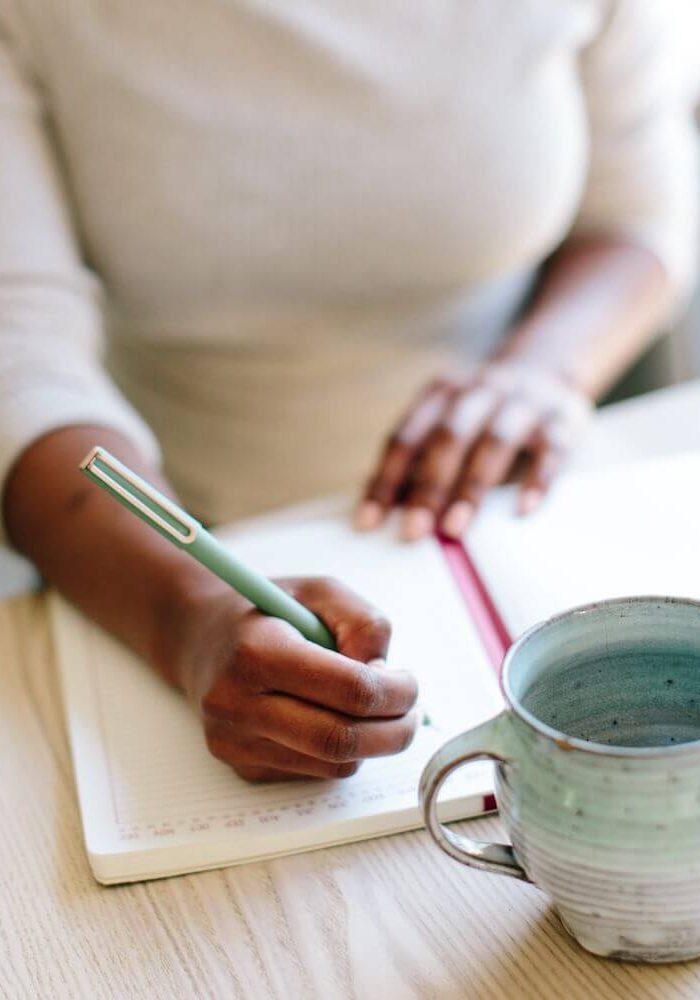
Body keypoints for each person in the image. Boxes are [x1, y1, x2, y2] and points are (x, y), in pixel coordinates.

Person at [0, 1, 697, 781]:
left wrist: (545, 370)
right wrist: (190, 620)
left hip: (519, 516)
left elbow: (638, 215)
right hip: (167, 542)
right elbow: (20, 355)